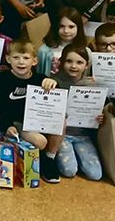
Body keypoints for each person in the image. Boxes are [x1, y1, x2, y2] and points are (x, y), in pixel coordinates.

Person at [0, 41, 59, 182]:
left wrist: (53, 84)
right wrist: (7, 126)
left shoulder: (40, 79)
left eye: (26, 58)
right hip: (16, 124)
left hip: (36, 122)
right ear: (8, 59)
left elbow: (55, 101)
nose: (21, 62)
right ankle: (33, 158)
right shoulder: (2, 79)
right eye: (16, 57)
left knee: (60, 121)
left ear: (34, 61)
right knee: (40, 141)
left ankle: (48, 160)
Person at [47, 43, 103, 181]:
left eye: (79, 62)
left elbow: (100, 110)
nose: (74, 66)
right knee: (69, 170)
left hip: (84, 135)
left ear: (87, 65)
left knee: (95, 174)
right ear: (61, 62)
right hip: (63, 136)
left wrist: (100, 118)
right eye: (69, 61)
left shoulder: (92, 85)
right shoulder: (54, 82)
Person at [37, 7, 87, 76]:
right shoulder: (43, 51)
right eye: (61, 26)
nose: (66, 31)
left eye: (71, 27)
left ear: (79, 28)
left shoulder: (86, 51)